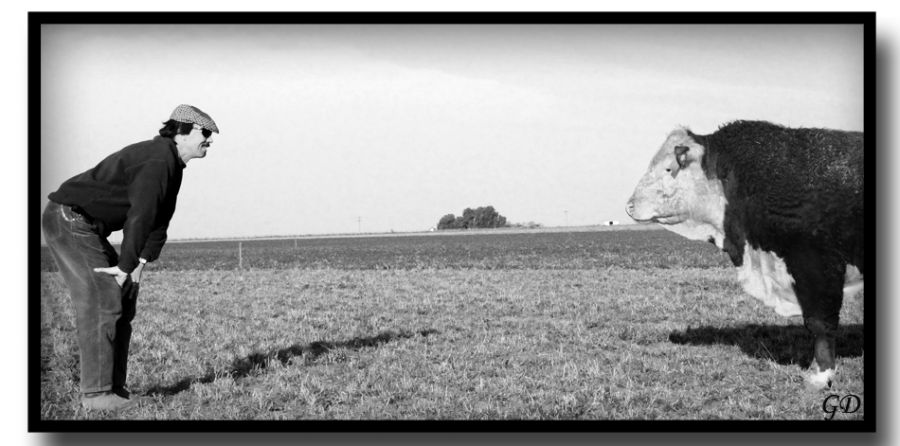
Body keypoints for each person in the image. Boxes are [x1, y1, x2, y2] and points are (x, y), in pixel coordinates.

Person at [42, 104, 219, 412]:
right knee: (102, 299)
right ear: (181, 132)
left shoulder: (172, 164)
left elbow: (159, 219)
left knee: (122, 298)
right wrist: (124, 265)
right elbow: (139, 216)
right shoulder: (157, 160)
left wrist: (139, 265)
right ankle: (97, 395)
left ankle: (115, 390)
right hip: (69, 219)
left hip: (84, 224)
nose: (210, 140)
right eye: (205, 133)